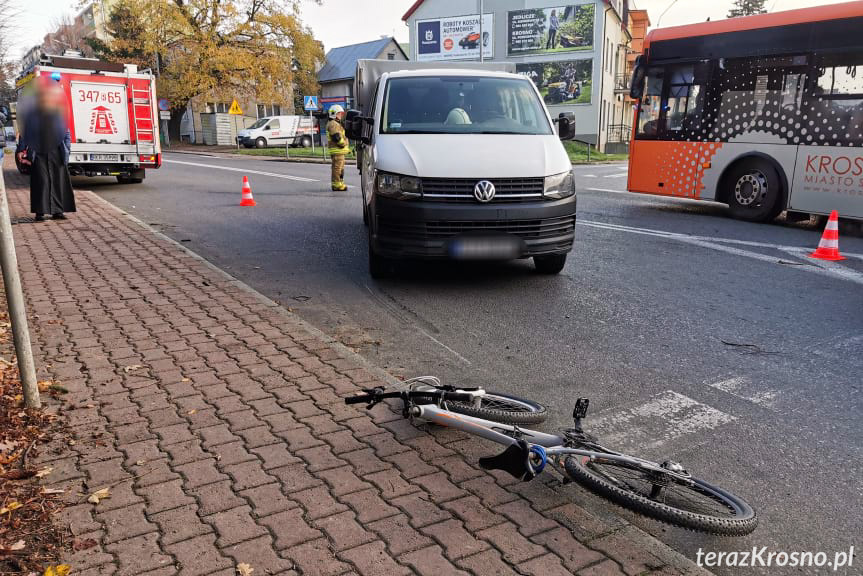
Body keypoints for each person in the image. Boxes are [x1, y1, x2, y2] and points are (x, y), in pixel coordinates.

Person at [18, 75, 76, 221]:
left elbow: (66, 133)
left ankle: (58, 211)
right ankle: (40, 212)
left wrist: (67, 151)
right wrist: (21, 149)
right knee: (41, 180)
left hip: (57, 150)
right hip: (39, 150)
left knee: (58, 180)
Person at [326, 105, 350, 192]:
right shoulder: (333, 124)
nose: (341, 115)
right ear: (335, 114)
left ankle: (339, 183)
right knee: (337, 168)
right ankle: (337, 185)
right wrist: (343, 144)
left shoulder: (335, 123)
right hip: (337, 150)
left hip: (339, 151)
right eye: (340, 113)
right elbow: (336, 137)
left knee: (339, 168)